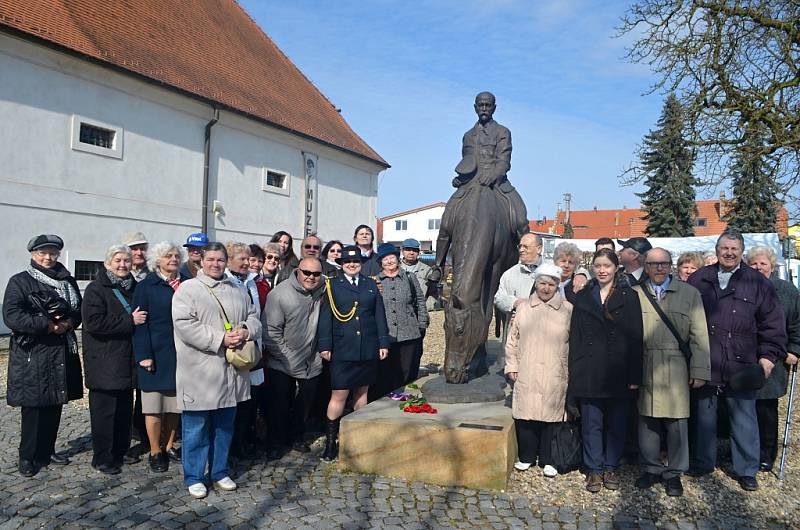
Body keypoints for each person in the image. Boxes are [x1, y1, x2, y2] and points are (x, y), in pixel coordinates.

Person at [687, 230, 786, 491]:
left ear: (741, 251)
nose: (729, 253)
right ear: (717, 249)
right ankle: (703, 462)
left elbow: (773, 323)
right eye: (724, 248)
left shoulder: (757, 283)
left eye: (734, 249)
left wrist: (767, 358)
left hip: (741, 363)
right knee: (703, 419)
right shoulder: (700, 279)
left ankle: (746, 469)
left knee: (744, 420)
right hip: (706, 361)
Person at [172, 242, 261, 499]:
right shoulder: (188, 289)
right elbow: (184, 325)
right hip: (200, 371)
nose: (215, 264)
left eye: (220, 260)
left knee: (224, 427)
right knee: (196, 428)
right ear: (201, 261)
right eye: (211, 259)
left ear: (226, 262)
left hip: (231, 372)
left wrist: (245, 329)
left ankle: (220, 470)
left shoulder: (237, 288)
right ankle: (195, 476)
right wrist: (220, 339)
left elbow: (255, 317)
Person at [632, 248, 711, 497]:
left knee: (677, 422)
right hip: (645, 362)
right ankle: (651, 468)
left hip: (677, 365)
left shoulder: (689, 294)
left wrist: (699, 369)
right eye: (654, 264)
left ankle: (675, 472)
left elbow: (699, 335)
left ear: (671, 266)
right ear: (646, 266)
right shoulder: (635, 294)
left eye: (664, 264)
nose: (659, 268)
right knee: (647, 421)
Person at [3, 235, 83, 477]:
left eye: (52, 253)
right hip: (33, 354)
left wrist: (69, 322)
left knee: (55, 403)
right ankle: (27, 456)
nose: (47, 258)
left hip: (61, 351)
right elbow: (12, 315)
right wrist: (47, 325)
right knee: (34, 408)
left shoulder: (67, 281)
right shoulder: (20, 281)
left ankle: (47, 450)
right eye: (42, 253)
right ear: (32, 254)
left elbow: (78, 310)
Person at [568, 248, 643, 493]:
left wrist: (635, 375)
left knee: (617, 423)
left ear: (615, 269)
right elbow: (576, 337)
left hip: (618, 370)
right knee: (591, 422)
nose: (602, 270)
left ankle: (610, 465)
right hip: (590, 369)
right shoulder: (583, 297)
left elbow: (636, 337)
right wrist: (574, 370)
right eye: (598, 266)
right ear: (592, 268)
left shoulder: (629, 296)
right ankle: (594, 469)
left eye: (607, 266)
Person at [317, 245, 390, 461]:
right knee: (339, 395)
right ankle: (331, 443)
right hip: (343, 348)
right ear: (341, 264)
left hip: (366, 347)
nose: (352, 265)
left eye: (356, 262)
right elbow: (326, 318)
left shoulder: (370, 285)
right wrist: (325, 346)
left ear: (361, 264)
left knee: (362, 394)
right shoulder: (332, 286)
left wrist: (383, 342)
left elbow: (379, 315)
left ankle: (357, 438)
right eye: (348, 262)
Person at [82, 244, 146, 475]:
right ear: (107, 263)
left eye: (126, 261)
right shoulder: (96, 289)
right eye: (117, 260)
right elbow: (94, 323)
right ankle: (102, 457)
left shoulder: (134, 287)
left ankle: (120, 452)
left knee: (123, 411)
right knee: (104, 413)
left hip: (127, 362)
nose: (122, 265)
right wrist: (129, 321)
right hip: (105, 362)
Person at [504, 263, 572, 478]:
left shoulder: (568, 310)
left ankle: (548, 458)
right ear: (535, 284)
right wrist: (512, 365)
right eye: (542, 283)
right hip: (527, 367)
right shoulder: (523, 308)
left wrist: (570, 369)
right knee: (527, 414)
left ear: (557, 286)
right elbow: (512, 340)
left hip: (555, 368)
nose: (545, 288)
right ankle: (526, 456)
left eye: (550, 284)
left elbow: (575, 342)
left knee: (551, 416)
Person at [262, 258, 326, 459]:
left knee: (305, 403)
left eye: (316, 274)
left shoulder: (324, 290)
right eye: (306, 272)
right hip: (283, 359)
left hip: (311, 359)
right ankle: (275, 441)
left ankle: (297, 436)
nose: (311, 277)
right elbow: (270, 332)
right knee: (279, 404)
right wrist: (287, 357)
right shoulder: (279, 294)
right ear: (298, 271)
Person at [746, 245, 800, 472]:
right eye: (753, 264)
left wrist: (795, 349)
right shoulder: (740, 288)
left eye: (763, 264)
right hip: (744, 357)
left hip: (775, 359)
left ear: (772, 265)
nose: (758, 268)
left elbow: (797, 323)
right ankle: (743, 448)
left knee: (765, 408)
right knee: (743, 407)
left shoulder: (787, 291)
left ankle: (766, 452)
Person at [133, 242, 186, 473]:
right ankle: (155, 450)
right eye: (168, 256)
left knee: (175, 405)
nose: (173, 259)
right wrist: (144, 355)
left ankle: (169, 445)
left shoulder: (187, 284)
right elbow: (140, 324)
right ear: (157, 260)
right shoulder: (146, 286)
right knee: (153, 406)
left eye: (176, 255)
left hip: (182, 353)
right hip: (155, 352)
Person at [453, 91, 528, 238]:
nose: (484, 108)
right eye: (481, 105)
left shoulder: (503, 132)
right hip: (470, 184)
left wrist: (493, 175)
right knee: (447, 220)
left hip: (498, 183)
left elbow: (504, 161)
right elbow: (467, 163)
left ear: (494, 108)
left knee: (521, 220)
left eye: (488, 105)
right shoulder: (468, 136)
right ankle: (440, 260)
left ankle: (525, 254)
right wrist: (460, 178)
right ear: (475, 108)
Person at [369, 243, 428, 402]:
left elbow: (420, 301)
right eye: (385, 259)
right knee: (386, 372)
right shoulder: (375, 281)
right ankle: (385, 403)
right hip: (385, 334)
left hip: (409, 332)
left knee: (407, 371)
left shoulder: (410, 277)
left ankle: (404, 401)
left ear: (397, 258)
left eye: (391, 257)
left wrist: (422, 323)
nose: (389, 261)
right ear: (380, 262)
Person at [224, 242, 262, 458]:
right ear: (230, 261)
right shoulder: (227, 282)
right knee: (233, 401)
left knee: (248, 398)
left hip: (251, 346)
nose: (248, 263)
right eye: (243, 259)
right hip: (233, 347)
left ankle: (242, 441)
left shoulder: (250, 281)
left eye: (249, 259)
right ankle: (231, 447)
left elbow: (255, 314)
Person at [494, 233, 544, 325]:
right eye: (520, 246)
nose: (521, 250)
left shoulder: (550, 272)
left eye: (525, 247)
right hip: (516, 333)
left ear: (539, 249)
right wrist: (515, 303)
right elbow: (499, 298)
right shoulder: (509, 274)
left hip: (543, 332)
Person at [400, 238, 435, 311]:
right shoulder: (395, 268)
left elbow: (433, 293)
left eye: (415, 250)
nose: (411, 252)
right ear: (402, 251)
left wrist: (424, 308)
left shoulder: (427, 270)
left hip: (419, 311)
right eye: (408, 249)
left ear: (418, 252)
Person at [248, 243, 270, 312]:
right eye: (253, 260)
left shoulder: (264, 284)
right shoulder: (238, 281)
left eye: (260, 261)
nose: (256, 264)